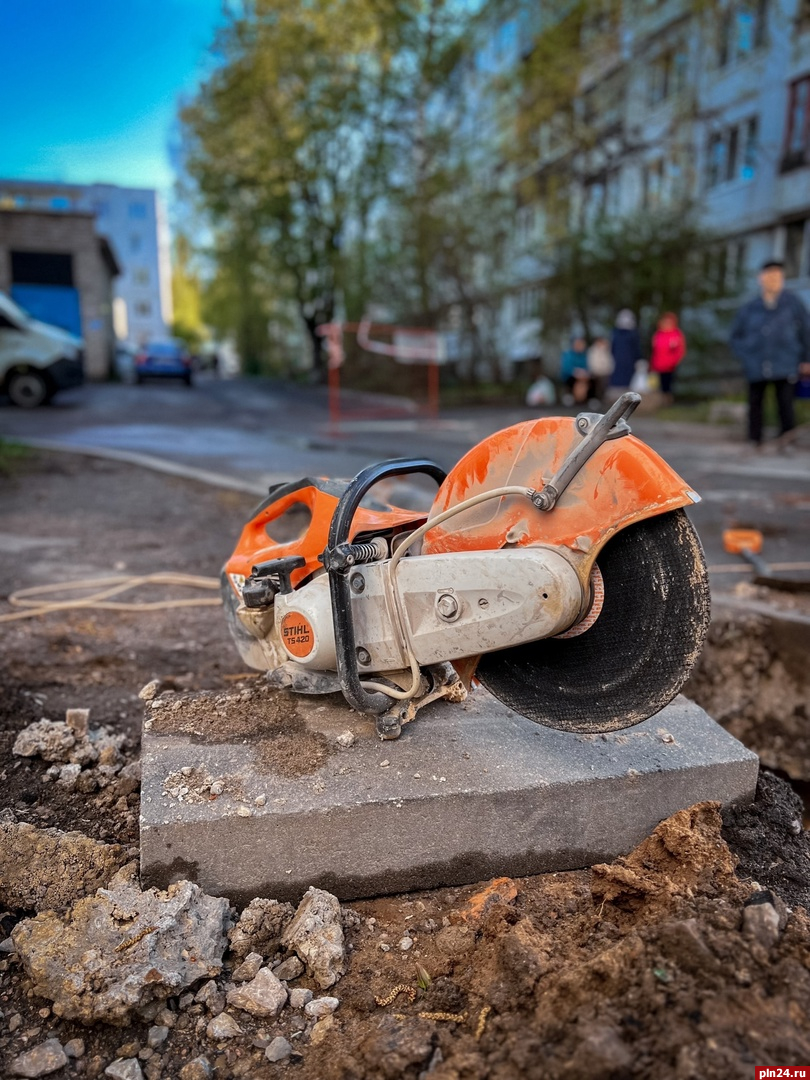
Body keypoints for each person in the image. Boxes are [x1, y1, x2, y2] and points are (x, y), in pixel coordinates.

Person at [729, 258, 810, 446]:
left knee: (785, 402)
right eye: (769, 276)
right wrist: (745, 355)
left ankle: (787, 440)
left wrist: (806, 358)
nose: (773, 280)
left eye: (777, 276)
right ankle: (754, 439)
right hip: (756, 363)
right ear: (761, 278)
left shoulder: (793, 303)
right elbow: (735, 336)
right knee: (755, 402)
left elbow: (806, 331)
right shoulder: (750, 307)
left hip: (786, 360)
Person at [650, 312, 686, 403]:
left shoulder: (676, 334)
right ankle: (661, 401)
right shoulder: (658, 334)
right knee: (658, 385)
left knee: (668, 384)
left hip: (670, 365)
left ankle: (668, 401)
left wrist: (675, 362)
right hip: (658, 364)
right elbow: (655, 350)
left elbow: (680, 350)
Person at [608, 310, 642, 396]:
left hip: (629, 360)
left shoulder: (632, 334)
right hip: (619, 360)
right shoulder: (616, 333)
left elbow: (636, 349)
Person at [559, 336, 589, 405]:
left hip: (582, 377)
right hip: (569, 377)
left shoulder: (584, 356)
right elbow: (566, 368)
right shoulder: (568, 354)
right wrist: (576, 372)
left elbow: (587, 368)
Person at [586, 335, 613, 405]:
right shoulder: (592, 351)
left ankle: (603, 398)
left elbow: (609, 363)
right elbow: (592, 363)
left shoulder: (606, 351)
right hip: (595, 373)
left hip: (605, 373)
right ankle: (596, 398)